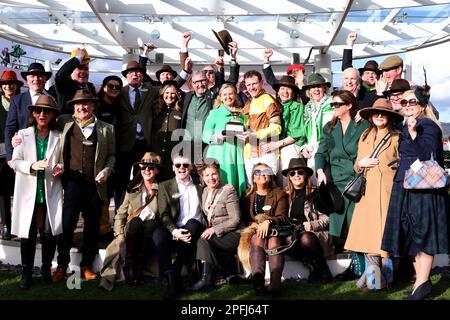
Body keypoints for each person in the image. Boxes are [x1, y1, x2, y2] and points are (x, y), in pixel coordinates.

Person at [381, 87, 449, 300]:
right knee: (410, 234)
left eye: (412, 102)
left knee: (423, 234)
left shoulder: (427, 125)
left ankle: (421, 284)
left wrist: (413, 134)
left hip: (423, 188)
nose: (408, 106)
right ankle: (421, 284)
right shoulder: (405, 126)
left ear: (422, 105)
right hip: (406, 185)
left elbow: (428, 154)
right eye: (404, 102)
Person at [51, 89, 115, 283]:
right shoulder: (64, 123)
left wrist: (107, 170)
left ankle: (86, 265)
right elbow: (40, 126)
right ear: (73, 107)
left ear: (93, 106)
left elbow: (112, 156)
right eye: (78, 104)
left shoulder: (107, 128)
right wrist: (17, 138)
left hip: (95, 186)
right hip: (71, 184)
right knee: (67, 226)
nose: (82, 107)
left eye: (86, 103)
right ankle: (62, 265)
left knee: (92, 227)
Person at [344, 98, 403, 291]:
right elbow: (356, 164)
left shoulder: (397, 137)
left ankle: (384, 281)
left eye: (383, 113)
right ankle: (375, 282)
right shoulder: (365, 136)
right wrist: (360, 163)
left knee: (385, 241)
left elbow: (402, 163)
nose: (379, 116)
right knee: (369, 240)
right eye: (376, 113)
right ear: (370, 116)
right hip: (367, 195)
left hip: (388, 194)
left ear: (390, 117)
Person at [11, 95, 63, 289]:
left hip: (50, 190)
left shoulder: (59, 136)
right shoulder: (22, 135)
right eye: (38, 111)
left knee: (50, 234)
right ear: (33, 113)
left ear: (53, 115)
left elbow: (62, 161)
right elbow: (15, 162)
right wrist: (32, 165)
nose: (42, 114)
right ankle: (26, 274)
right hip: (28, 193)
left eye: (47, 111)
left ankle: (45, 269)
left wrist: (60, 168)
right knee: (28, 234)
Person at [315, 90, 369, 252]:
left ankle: (357, 259)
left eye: (338, 104)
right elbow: (321, 152)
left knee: (355, 223)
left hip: (357, 180)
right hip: (337, 181)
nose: (334, 107)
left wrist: (364, 114)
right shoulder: (329, 127)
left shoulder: (363, 125)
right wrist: (319, 171)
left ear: (349, 105)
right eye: (332, 104)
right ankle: (340, 255)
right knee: (338, 223)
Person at [112, 152, 171, 289]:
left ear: (157, 170)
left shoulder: (162, 188)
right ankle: (130, 267)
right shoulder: (132, 188)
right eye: (143, 167)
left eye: (150, 167)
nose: (146, 170)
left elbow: (165, 213)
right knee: (136, 222)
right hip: (133, 227)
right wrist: (119, 234)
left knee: (150, 224)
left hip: (151, 228)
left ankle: (138, 269)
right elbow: (120, 214)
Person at [154, 154, 205, 298]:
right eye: (178, 165)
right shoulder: (165, 186)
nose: (181, 168)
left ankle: (176, 271)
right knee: (158, 234)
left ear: (191, 167)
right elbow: (163, 214)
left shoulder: (200, 184)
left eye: (185, 165)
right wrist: (174, 231)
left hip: (194, 229)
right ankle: (170, 275)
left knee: (193, 224)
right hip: (175, 229)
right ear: (173, 168)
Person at [190, 162, 242, 291]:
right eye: (207, 175)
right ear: (202, 177)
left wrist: (214, 229)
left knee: (203, 240)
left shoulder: (228, 191)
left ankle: (205, 279)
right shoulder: (205, 192)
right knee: (200, 239)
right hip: (217, 234)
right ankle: (220, 275)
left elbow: (235, 219)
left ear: (219, 174)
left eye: (214, 174)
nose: (211, 178)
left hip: (233, 233)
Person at [238, 163, 288, 294]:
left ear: (270, 176)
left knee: (274, 241)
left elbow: (282, 216)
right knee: (257, 239)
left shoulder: (279, 193)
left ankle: (275, 285)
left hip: (275, 230)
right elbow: (243, 218)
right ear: (253, 178)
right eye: (258, 172)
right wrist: (251, 224)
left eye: (266, 171)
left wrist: (269, 221)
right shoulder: (246, 196)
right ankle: (258, 284)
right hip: (255, 231)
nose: (262, 175)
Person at [281, 158, 333, 282]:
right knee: (288, 240)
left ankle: (323, 270)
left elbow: (328, 219)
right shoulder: (285, 195)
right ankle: (313, 269)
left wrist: (313, 225)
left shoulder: (316, 193)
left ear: (306, 174)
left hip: (314, 233)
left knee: (306, 238)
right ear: (289, 177)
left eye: (300, 172)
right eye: (292, 173)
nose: (296, 175)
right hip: (292, 233)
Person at [116, 60, 159, 204]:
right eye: (131, 72)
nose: (134, 74)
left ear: (142, 76)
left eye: (138, 72)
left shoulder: (150, 90)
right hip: (124, 142)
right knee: (121, 179)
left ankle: (138, 209)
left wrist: (185, 71)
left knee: (141, 178)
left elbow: (170, 86)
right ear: (126, 76)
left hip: (144, 143)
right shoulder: (119, 92)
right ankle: (119, 212)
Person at [202, 82, 246, 195]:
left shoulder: (242, 114)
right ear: (220, 97)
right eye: (225, 94)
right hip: (220, 155)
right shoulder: (214, 113)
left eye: (231, 94)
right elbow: (205, 136)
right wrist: (219, 137)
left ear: (235, 95)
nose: (228, 97)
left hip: (237, 154)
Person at [5, 62, 53, 164]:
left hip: (48, 154)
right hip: (23, 155)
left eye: (40, 76)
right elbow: (10, 128)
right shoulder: (17, 100)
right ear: (27, 79)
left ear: (45, 79)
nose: (36, 79)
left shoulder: (52, 99)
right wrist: (10, 156)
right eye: (32, 76)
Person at [242, 70, 282, 183]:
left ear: (261, 83)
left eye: (254, 83)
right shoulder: (248, 102)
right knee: (253, 190)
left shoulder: (267, 100)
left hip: (266, 153)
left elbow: (277, 127)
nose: (251, 87)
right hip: (250, 153)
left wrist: (255, 134)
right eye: (248, 85)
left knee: (269, 187)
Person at [268, 75, 306, 186]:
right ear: (278, 92)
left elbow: (296, 135)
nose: (285, 91)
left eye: (288, 89)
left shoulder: (297, 106)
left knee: (288, 181)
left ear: (293, 92)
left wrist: (278, 144)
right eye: (282, 88)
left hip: (290, 146)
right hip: (276, 146)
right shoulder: (274, 106)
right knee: (276, 179)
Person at [0, 70, 23, 240]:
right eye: (5, 83)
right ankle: (6, 225)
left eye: (11, 83)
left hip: (20, 153)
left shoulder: (21, 102)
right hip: (1, 155)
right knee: (2, 192)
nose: (8, 86)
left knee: (21, 189)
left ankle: (21, 225)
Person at [300, 73, 334, 183]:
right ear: (309, 90)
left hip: (329, 149)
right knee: (314, 185)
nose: (316, 90)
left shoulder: (333, 103)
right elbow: (306, 133)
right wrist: (304, 147)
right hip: (312, 150)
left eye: (319, 86)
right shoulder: (308, 107)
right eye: (313, 87)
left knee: (327, 183)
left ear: (324, 88)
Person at [151, 80, 183, 182]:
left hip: (173, 156)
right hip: (156, 155)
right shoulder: (154, 109)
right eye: (167, 93)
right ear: (162, 94)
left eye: (173, 93)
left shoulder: (180, 111)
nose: (170, 96)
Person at [55, 48, 96, 114]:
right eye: (79, 68)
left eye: (86, 69)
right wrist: (77, 58)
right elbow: (60, 76)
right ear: (71, 70)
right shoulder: (65, 85)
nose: (83, 71)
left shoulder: (90, 87)